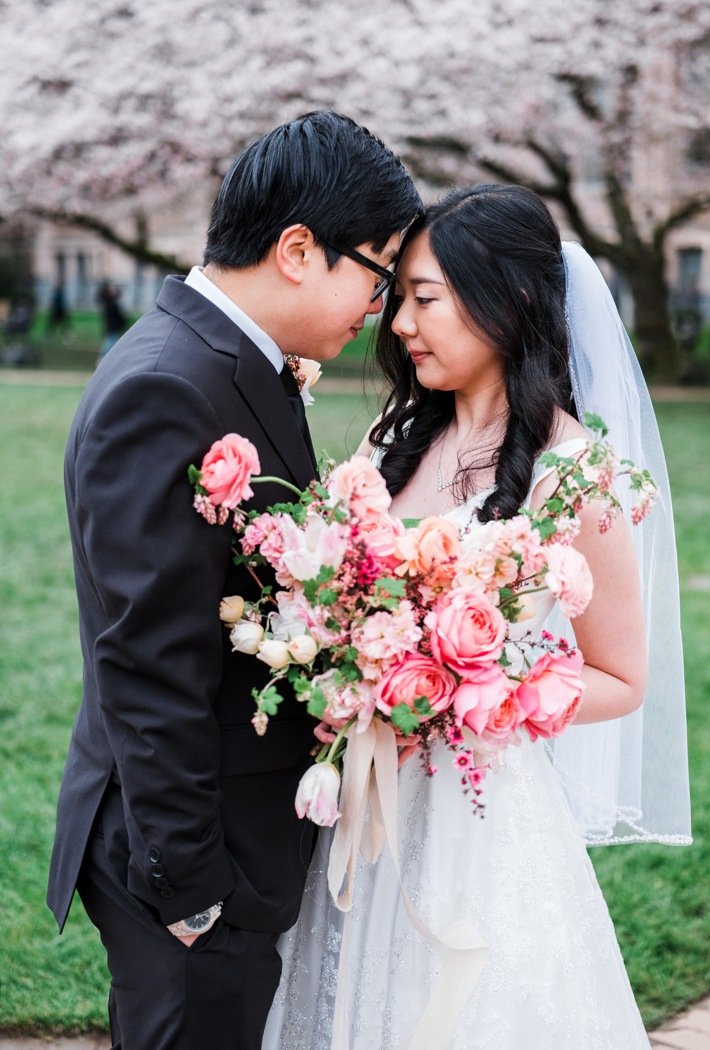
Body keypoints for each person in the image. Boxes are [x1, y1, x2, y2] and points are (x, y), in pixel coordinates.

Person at [264, 184, 690, 1049]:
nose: (401, 326)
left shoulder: (573, 472)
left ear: (512, 300)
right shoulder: (392, 439)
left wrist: (480, 689)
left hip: (483, 814)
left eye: (426, 301)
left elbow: (621, 677)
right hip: (363, 798)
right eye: (399, 301)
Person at [47, 111, 420, 1050]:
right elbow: (145, 654)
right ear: (299, 249)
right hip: (184, 856)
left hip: (229, 835)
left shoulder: (230, 362)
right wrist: (193, 891)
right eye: (375, 276)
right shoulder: (168, 386)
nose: (377, 310)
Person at [98, 281, 128, 359]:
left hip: (112, 327)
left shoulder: (111, 302)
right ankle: (103, 357)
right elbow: (118, 316)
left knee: (111, 342)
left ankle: (104, 357)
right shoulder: (110, 303)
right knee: (110, 342)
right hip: (112, 327)